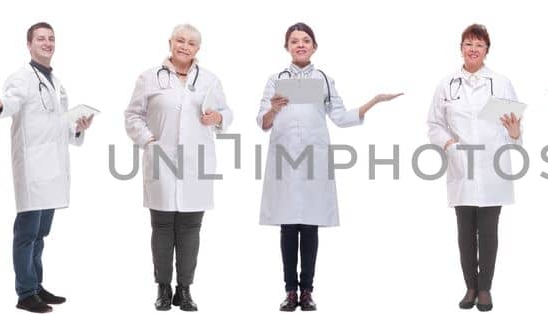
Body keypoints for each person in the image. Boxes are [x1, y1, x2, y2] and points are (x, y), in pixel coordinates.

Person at [255, 22, 402, 312]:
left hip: (313, 161)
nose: (300, 44)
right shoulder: (275, 79)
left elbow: (341, 117)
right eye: (294, 41)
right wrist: (273, 108)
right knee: (288, 226)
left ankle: (307, 291)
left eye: (306, 40)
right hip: (285, 159)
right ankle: (290, 291)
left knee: (309, 225)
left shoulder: (323, 78)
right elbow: (262, 122)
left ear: (314, 46)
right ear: (287, 47)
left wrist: (373, 102)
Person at [0, 21, 93, 314]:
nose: (47, 43)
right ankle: (25, 293)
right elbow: (10, 103)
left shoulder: (57, 82)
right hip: (32, 167)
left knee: (41, 233)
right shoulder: (21, 78)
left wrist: (78, 127)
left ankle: (37, 286)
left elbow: (62, 126)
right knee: (26, 233)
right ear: (29, 44)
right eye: (41, 39)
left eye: (51, 39)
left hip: (53, 167)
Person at [124, 23, 232, 313]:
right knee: (161, 227)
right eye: (180, 41)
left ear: (198, 49)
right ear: (170, 42)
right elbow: (133, 115)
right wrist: (148, 140)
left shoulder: (209, 79)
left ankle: (184, 289)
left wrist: (218, 117)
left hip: (197, 162)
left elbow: (227, 112)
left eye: (192, 43)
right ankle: (163, 288)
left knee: (190, 228)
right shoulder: (149, 77)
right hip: (161, 159)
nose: (185, 46)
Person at [426, 23, 521, 312]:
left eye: (479, 45)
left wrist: (515, 132)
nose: (473, 49)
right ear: (461, 48)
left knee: (488, 232)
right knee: (465, 233)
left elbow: (513, 129)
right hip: (461, 167)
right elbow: (434, 124)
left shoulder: (501, 83)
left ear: (487, 50)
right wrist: (449, 145)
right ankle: (470, 286)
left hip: (493, 168)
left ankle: (485, 289)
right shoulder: (447, 84)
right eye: (468, 43)